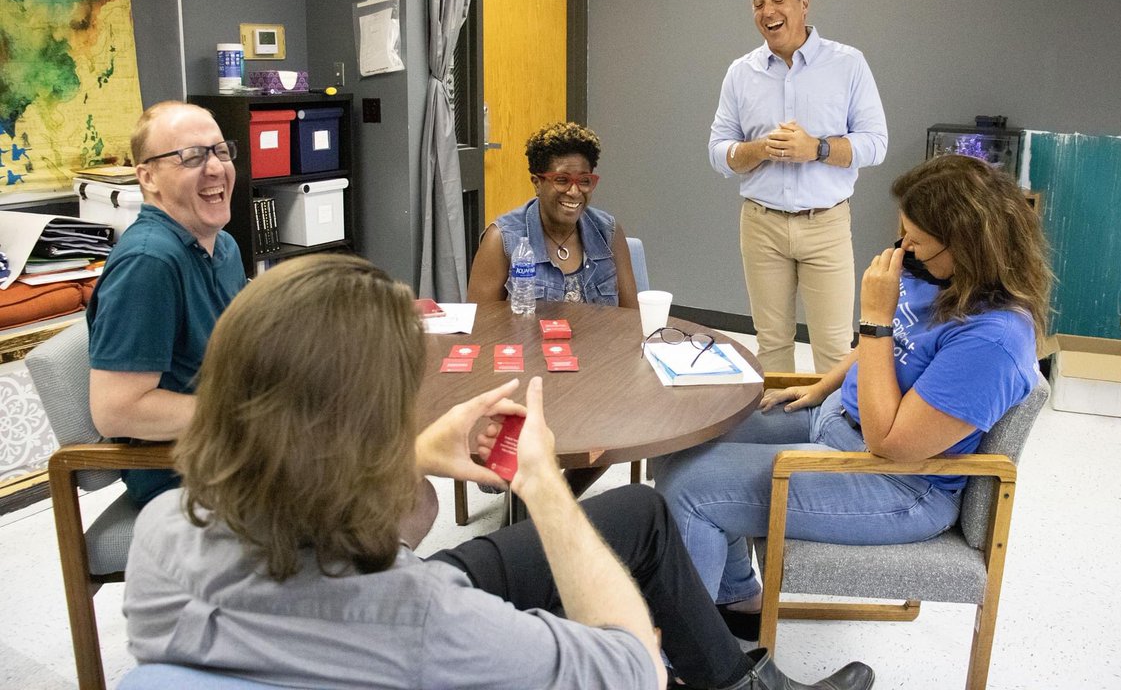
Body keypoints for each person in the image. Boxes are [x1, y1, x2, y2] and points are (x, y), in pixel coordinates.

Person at [123, 254, 874, 690]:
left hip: (335, 601)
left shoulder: (162, 535)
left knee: (640, 515)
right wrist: (542, 483)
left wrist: (407, 455)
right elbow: (631, 669)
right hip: (383, 613)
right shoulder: (427, 623)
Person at [653, 155, 1052, 635]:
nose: (904, 248)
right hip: (840, 419)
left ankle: (691, 661)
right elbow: (879, 347)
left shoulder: (993, 340)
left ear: (966, 245)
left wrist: (876, 316)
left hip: (901, 482)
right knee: (682, 438)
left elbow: (891, 442)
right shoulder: (936, 275)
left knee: (691, 488)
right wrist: (822, 386)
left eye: (918, 241)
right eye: (903, 233)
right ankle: (737, 599)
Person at [709, 0, 888, 373]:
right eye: (758, 4)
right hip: (761, 225)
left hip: (825, 224)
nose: (767, 11)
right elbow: (718, 152)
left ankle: (831, 435)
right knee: (770, 346)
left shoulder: (848, 64)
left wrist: (818, 148)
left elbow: (876, 144)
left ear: (803, 4)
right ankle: (777, 436)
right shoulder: (741, 73)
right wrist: (759, 149)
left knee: (833, 349)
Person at [86, 100, 246, 507]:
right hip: (186, 470)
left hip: (237, 449)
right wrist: (248, 417)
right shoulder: (149, 262)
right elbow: (116, 411)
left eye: (220, 151)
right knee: (395, 496)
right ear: (148, 177)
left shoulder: (222, 246)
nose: (214, 168)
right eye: (191, 157)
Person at [467, 121, 639, 309]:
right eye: (562, 180)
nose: (574, 191)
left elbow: (631, 320)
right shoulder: (502, 239)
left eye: (584, 180)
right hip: (526, 339)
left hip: (602, 339)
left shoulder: (608, 232)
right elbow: (480, 326)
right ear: (537, 183)